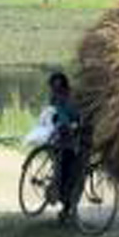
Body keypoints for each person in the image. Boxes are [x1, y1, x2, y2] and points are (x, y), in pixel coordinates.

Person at [46, 71, 85, 224]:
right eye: (54, 86)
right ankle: (66, 206)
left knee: (76, 174)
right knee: (63, 172)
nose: (56, 89)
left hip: (77, 138)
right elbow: (56, 116)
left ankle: (69, 207)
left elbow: (80, 113)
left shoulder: (73, 96)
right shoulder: (55, 100)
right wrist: (66, 125)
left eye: (59, 86)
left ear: (64, 85)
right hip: (63, 139)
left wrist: (78, 123)